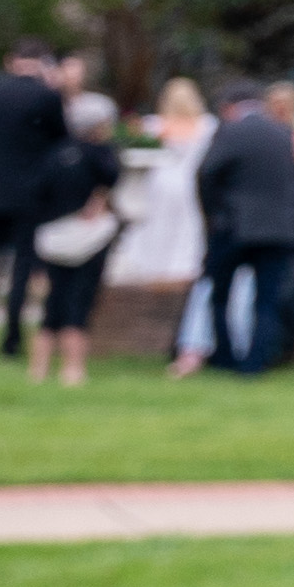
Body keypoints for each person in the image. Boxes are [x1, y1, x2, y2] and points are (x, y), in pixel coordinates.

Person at [197, 83, 294, 377]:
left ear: (230, 107)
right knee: (267, 299)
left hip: (235, 227)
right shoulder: (284, 134)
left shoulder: (230, 132)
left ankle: (224, 356)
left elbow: (207, 174)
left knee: (219, 294)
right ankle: (256, 362)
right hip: (280, 230)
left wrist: (215, 214)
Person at [0, 42, 74, 358]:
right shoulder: (47, 97)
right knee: (21, 270)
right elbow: (61, 146)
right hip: (29, 195)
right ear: (43, 63)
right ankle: (12, 339)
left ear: (11, 61)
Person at [25, 90, 132, 388]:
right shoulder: (101, 155)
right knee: (80, 302)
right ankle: (73, 369)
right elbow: (113, 180)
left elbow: (36, 195)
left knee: (52, 304)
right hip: (90, 239)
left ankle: (38, 369)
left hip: (52, 239)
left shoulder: (54, 154)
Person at [112, 79, 214, 377]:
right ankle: (183, 266)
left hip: (160, 185)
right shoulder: (207, 125)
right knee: (188, 229)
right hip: (190, 186)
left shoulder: (155, 125)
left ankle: (157, 267)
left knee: (160, 229)